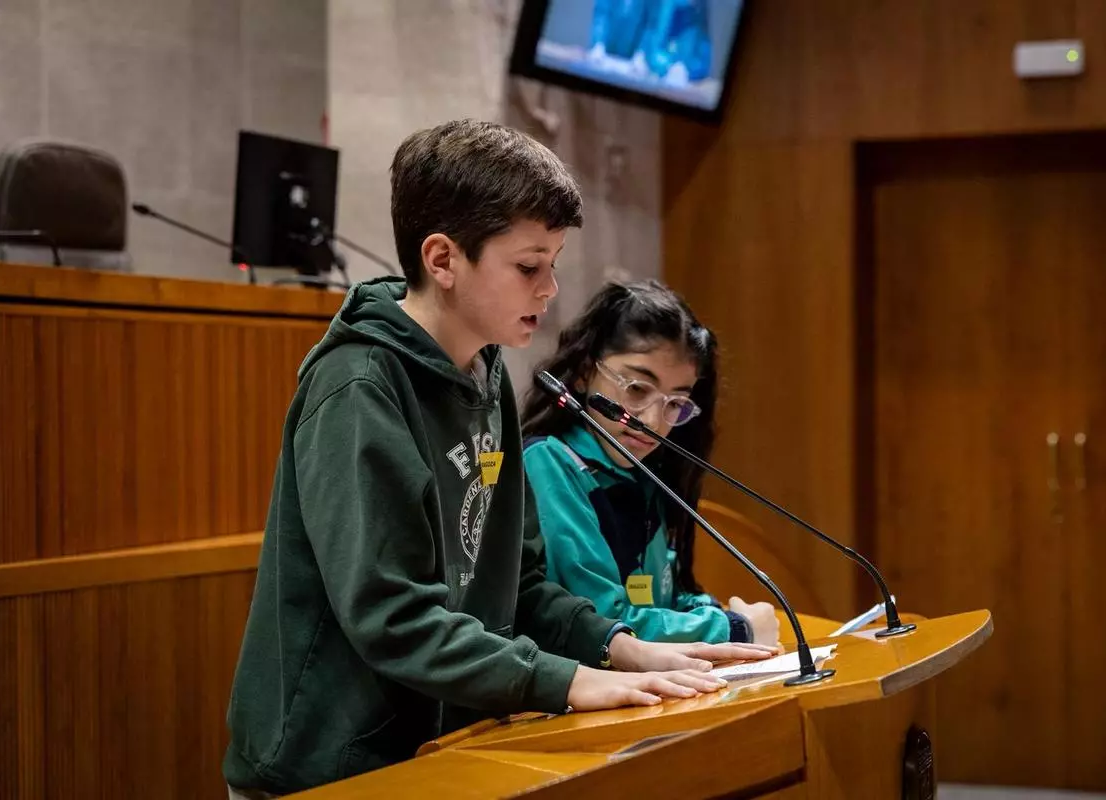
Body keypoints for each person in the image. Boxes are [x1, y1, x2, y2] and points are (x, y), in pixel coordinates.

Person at [222, 121, 772, 797]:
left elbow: (521, 583)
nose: (550, 289)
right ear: (442, 259)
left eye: (554, 264)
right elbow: (392, 617)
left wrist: (619, 647)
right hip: (328, 768)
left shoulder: (486, 375)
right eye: (528, 267)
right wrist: (565, 680)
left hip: (446, 744)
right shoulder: (359, 387)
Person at [521, 280, 782, 647]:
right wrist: (732, 628)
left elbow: (660, 600)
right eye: (637, 389)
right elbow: (604, 622)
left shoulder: (641, 469)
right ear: (583, 373)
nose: (653, 421)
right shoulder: (550, 463)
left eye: (675, 403)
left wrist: (710, 610)